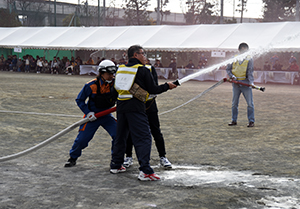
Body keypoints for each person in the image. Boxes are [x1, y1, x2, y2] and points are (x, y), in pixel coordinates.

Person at [111, 45, 177, 181]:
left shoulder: (121, 69)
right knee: (144, 137)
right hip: (135, 108)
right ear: (136, 55)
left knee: (121, 136)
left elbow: (114, 90)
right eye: (143, 54)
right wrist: (167, 86)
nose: (145, 56)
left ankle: (116, 165)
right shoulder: (142, 70)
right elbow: (153, 89)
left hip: (121, 107)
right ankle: (145, 171)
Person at [64, 60, 118, 167]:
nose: (111, 76)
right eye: (109, 74)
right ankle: (73, 157)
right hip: (92, 117)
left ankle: (116, 159)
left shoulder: (116, 84)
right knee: (82, 140)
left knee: (118, 135)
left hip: (106, 116)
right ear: (101, 73)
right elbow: (79, 100)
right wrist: (88, 113)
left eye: (113, 73)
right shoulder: (90, 85)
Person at [123, 63, 172, 169]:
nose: (143, 57)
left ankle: (163, 157)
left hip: (149, 106)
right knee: (131, 132)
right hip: (134, 106)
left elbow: (154, 88)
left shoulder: (149, 69)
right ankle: (128, 157)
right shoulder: (127, 69)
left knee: (156, 131)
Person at [226, 42, 255, 128]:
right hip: (236, 85)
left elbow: (250, 72)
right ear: (239, 50)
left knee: (250, 104)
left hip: (245, 84)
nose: (244, 52)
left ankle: (251, 121)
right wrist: (232, 76)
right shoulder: (233, 58)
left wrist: (251, 83)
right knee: (234, 104)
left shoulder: (249, 59)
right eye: (242, 50)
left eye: (245, 50)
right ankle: (233, 120)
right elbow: (228, 69)